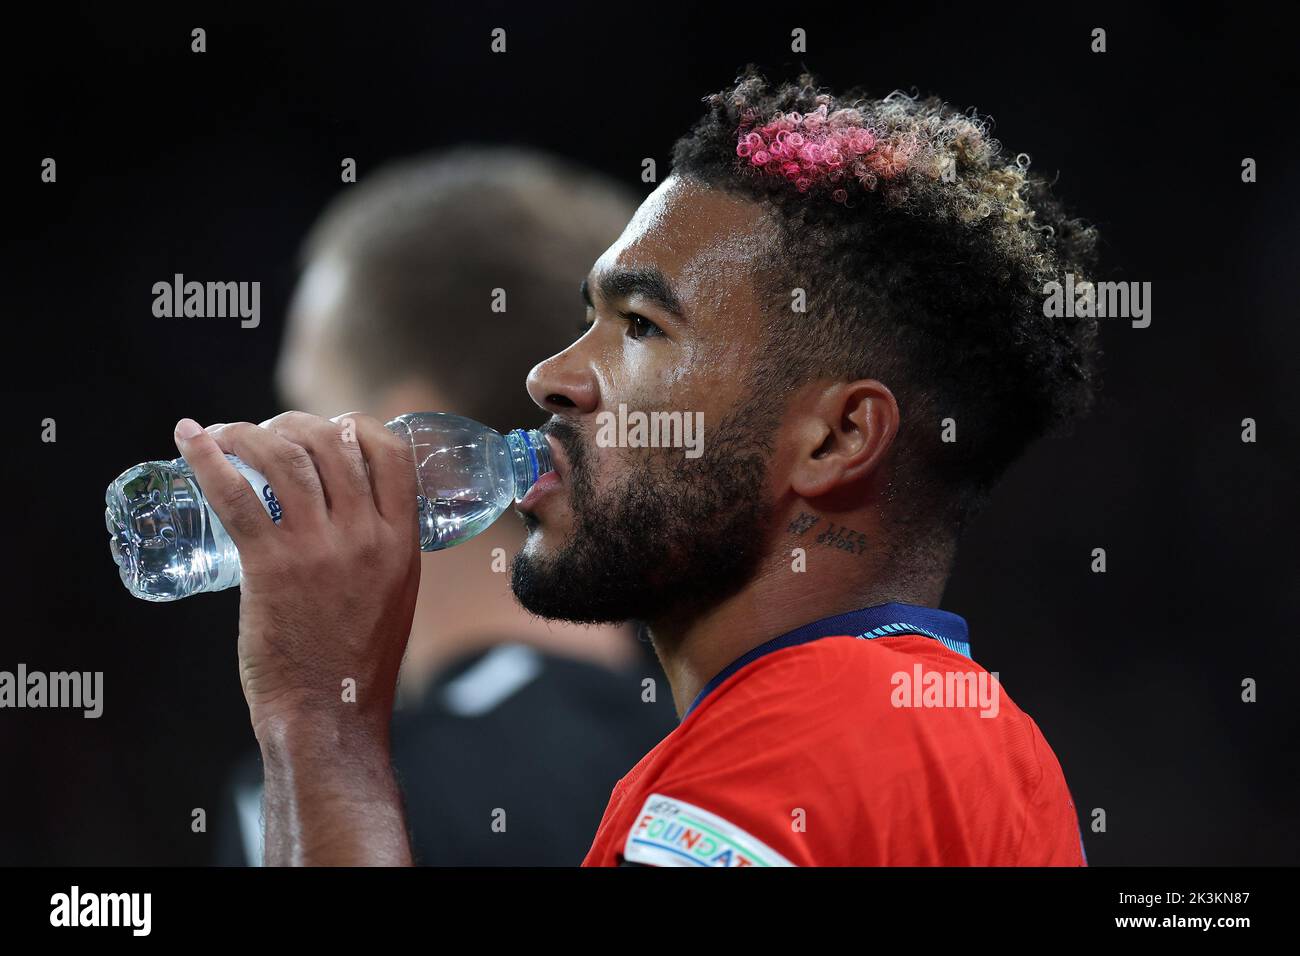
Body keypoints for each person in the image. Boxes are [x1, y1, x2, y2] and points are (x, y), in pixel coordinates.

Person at [181, 68, 1098, 866]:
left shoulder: (791, 754)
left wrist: (320, 730)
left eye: (643, 328)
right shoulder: (975, 745)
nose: (553, 376)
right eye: (588, 318)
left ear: (835, 439)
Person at [212, 147, 677, 866]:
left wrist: (309, 737)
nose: (276, 451)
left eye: (302, 408)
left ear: (390, 445)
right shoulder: (717, 755)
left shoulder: (313, 796)